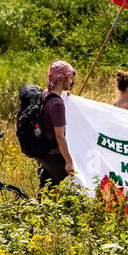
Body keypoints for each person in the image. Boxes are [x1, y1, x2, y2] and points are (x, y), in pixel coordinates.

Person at [38, 60, 77, 190]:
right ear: (62, 78)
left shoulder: (45, 95)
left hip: (44, 155)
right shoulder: (57, 104)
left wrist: (67, 91)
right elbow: (60, 136)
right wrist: (69, 162)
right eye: (70, 77)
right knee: (72, 195)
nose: (72, 81)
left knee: (46, 195)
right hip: (55, 156)